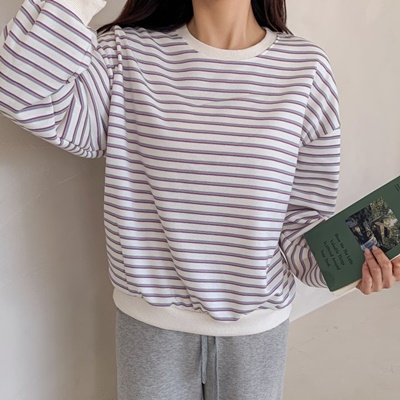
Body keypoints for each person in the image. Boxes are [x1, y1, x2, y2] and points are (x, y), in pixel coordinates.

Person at [1, 1, 399, 399]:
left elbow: (299, 223)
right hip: (151, 331)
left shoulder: (306, 69)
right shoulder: (124, 55)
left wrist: (353, 265)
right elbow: (18, 90)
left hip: (256, 334)